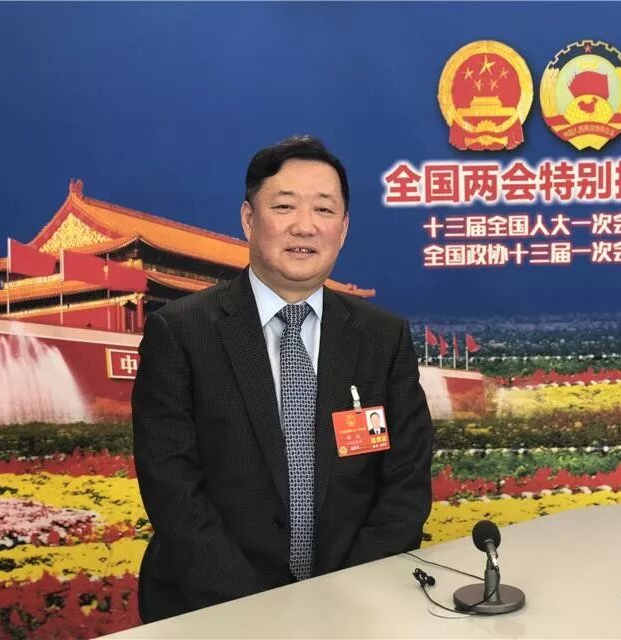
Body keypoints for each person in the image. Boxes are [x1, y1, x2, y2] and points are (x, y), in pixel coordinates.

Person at [132, 135, 433, 623]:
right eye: (285, 206)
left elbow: (406, 481)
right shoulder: (182, 332)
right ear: (249, 219)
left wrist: (348, 598)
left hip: (352, 609)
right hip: (211, 608)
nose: (305, 226)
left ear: (344, 228)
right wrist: (261, 614)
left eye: (324, 209)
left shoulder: (382, 337)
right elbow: (173, 488)